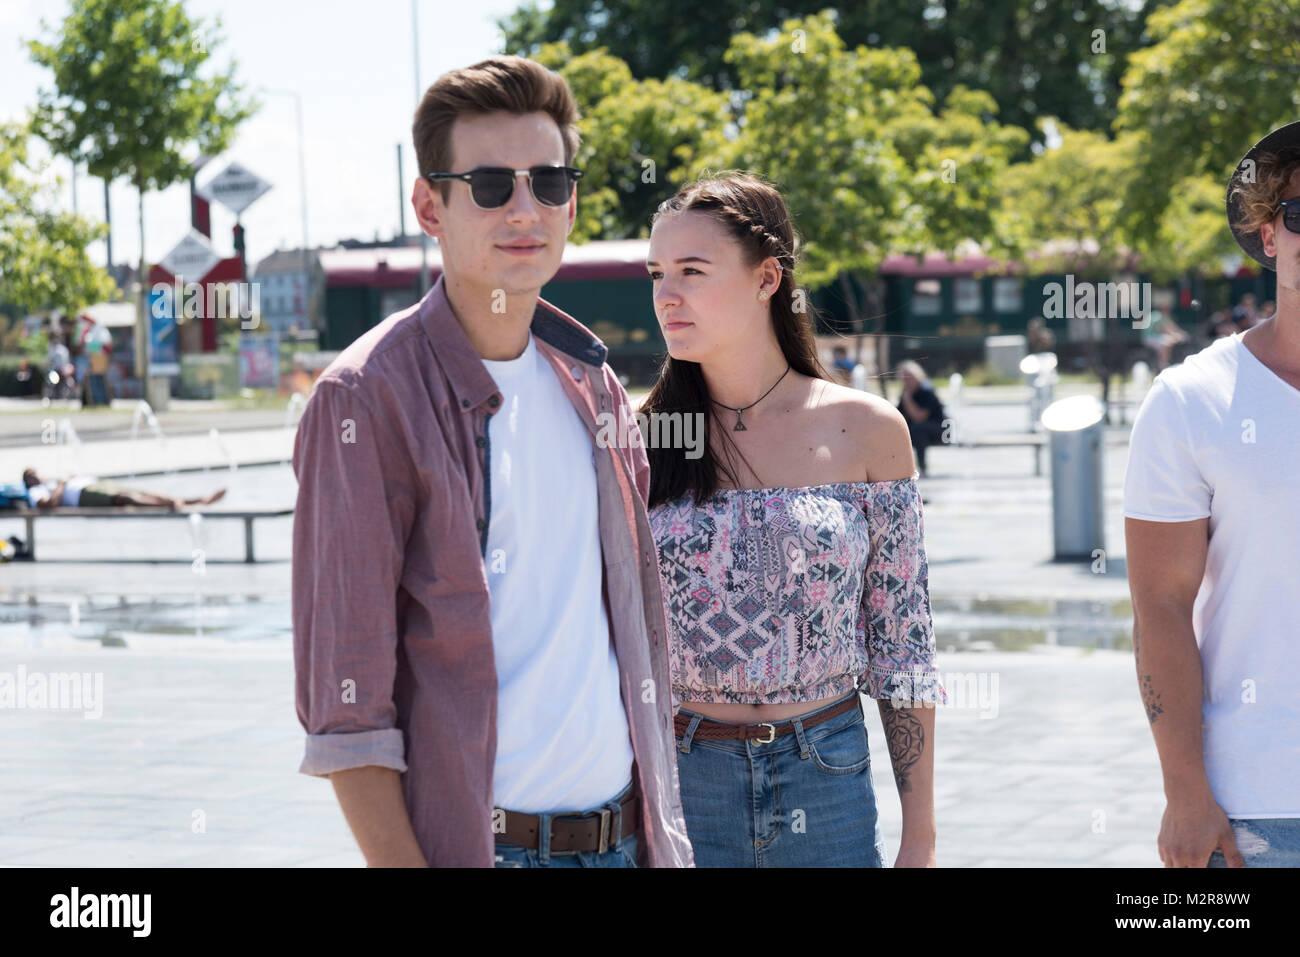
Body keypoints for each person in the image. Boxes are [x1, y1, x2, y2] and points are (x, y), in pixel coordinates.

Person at [290, 55, 692, 868]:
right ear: (428, 205)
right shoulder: (365, 400)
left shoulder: (595, 381)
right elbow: (347, 710)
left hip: (625, 840)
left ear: (571, 201)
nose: (524, 208)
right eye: (489, 183)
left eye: (547, 182)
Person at [641, 171, 946, 867]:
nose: (666, 294)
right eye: (657, 273)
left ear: (767, 277)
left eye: (692, 270)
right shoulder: (641, 439)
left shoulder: (866, 429)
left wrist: (920, 838)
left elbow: (902, 643)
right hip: (685, 782)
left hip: (828, 775)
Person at [1124, 120, 1300, 868]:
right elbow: (1160, 605)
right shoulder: (1192, 399)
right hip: (1258, 802)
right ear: (1270, 236)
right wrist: (1185, 790)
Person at [20, 468, 226, 511]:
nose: (36, 475)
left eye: (35, 472)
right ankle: (170, 505)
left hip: (92, 483)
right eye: (30, 476)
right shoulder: (36, 492)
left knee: (141, 492)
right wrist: (63, 483)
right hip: (83, 496)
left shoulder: (51, 482)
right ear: (28, 482)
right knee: (124, 498)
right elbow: (49, 505)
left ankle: (197, 500)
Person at [896, 359, 947, 476]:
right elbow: (899, 416)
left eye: (909, 377)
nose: (907, 381)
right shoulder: (906, 392)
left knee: (918, 429)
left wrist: (907, 399)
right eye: (904, 378)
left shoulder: (926, 391)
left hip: (940, 430)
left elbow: (919, 417)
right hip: (919, 429)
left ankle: (922, 468)